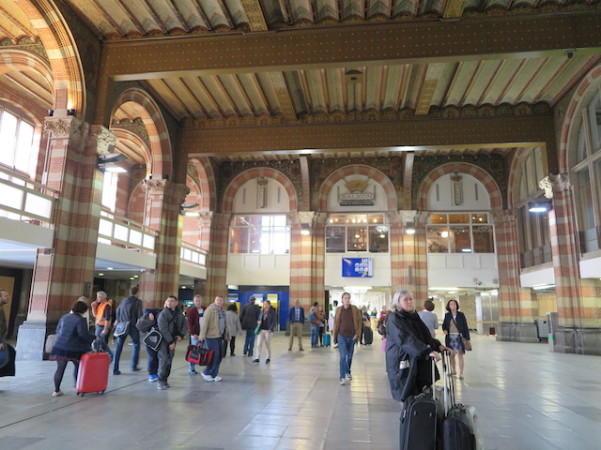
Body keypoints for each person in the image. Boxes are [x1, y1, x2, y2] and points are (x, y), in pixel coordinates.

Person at [385, 290, 449, 402]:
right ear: (398, 302)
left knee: (418, 395)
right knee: (407, 396)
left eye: (411, 299)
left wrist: (438, 346)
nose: (409, 302)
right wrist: (426, 351)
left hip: (415, 359)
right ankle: (408, 418)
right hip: (402, 360)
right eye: (406, 300)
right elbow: (405, 339)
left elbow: (425, 336)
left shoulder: (414, 316)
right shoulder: (394, 318)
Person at [50, 298, 97, 397]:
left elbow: (58, 329)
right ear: (84, 310)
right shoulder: (81, 320)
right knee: (78, 367)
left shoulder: (64, 317)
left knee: (60, 369)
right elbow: (82, 334)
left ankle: (56, 390)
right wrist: (93, 337)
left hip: (60, 346)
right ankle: (77, 387)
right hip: (75, 349)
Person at [333, 292, 362, 385]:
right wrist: (335, 334)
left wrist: (357, 333)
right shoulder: (338, 310)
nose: (347, 299)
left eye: (348, 298)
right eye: (345, 298)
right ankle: (342, 376)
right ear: (342, 300)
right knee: (343, 356)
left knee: (349, 357)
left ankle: (348, 371)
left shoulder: (354, 309)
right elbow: (336, 322)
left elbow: (359, 322)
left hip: (352, 336)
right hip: (341, 336)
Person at [113, 287, 143, 375]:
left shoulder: (123, 300)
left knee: (119, 346)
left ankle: (115, 368)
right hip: (132, 326)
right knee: (136, 345)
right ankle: (134, 366)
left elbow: (118, 311)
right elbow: (140, 314)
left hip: (122, 325)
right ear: (137, 293)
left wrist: (119, 320)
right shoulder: (138, 301)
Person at [156, 296, 183, 390]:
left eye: (172, 301)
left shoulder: (179, 313)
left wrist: (181, 335)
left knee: (169, 360)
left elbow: (184, 324)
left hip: (173, 339)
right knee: (164, 359)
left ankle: (165, 379)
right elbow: (163, 329)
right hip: (164, 340)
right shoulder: (163, 314)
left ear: (176, 303)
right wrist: (170, 341)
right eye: (168, 301)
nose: (169, 303)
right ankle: (160, 380)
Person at [200, 295, 229, 381]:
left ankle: (214, 374)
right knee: (214, 355)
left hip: (219, 336)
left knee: (220, 355)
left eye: (221, 300)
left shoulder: (223, 311)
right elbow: (205, 323)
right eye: (217, 300)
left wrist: (227, 335)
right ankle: (206, 372)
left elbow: (226, 324)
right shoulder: (210, 310)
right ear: (215, 300)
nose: (219, 301)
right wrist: (202, 335)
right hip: (211, 336)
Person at [442, 299, 471, 380]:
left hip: (459, 338)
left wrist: (468, 339)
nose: (453, 305)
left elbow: (465, 327)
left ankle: (461, 373)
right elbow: (444, 325)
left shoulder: (461, 315)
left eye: (454, 304)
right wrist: (444, 330)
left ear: (457, 305)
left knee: (460, 355)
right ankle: (453, 370)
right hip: (450, 338)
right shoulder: (447, 315)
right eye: (451, 304)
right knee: (452, 355)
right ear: (449, 306)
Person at [253, 300, 276, 364]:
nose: (265, 306)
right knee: (258, 344)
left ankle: (268, 357)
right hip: (261, 330)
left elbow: (274, 321)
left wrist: (270, 329)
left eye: (266, 304)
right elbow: (259, 318)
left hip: (268, 331)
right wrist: (258, 322)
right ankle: (257, 357)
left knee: (267, 344)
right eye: (264, 304)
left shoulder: (272, 312)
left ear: (269, 305)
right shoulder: (262, 311)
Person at [186, 294, 205, 374]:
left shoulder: (205, 309)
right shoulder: (191, 311)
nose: (198, 302)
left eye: (199, 300)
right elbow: (189, 324)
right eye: (196, 301)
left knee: (204, 351)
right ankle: (191, 368)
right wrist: (193, 333)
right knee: (194, 351)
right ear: (194, 302)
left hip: (204, 334)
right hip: (195, 335)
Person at [142, 307, 162, 382]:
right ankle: (152, 373)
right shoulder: (159, 311)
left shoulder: (172, 313)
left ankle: (156, 372)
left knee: (158, 356)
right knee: (152, 355)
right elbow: (145, 310)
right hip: (152, 335)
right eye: (168, 301)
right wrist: (148, 313)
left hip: (162, 337)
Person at [93, 291, 114, 361]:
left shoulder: (106, 305)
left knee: (98, 342)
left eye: (98, 297)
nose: (97, 298)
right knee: (101, 342)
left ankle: (99, 356)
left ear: (102, 297)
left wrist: (105, 328)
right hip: (98, 325)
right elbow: (95, 315)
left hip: (101, 326)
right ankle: (110, 355)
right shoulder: (101, 305)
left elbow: (107, 318)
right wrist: (93, 307)